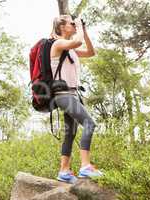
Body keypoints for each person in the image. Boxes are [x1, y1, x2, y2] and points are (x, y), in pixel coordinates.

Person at [49, 15, 103, 184]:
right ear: (62, 27)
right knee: (89, 123)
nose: (74, 25)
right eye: (71, 23)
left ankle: (64, 170)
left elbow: (91, 52)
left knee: (70, 134)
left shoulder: (70, 48)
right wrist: (79, 26)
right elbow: (78, 42)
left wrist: (84, 31)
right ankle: (85, 166)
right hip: (63, 95)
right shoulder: (58, 44)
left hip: (72, 95)